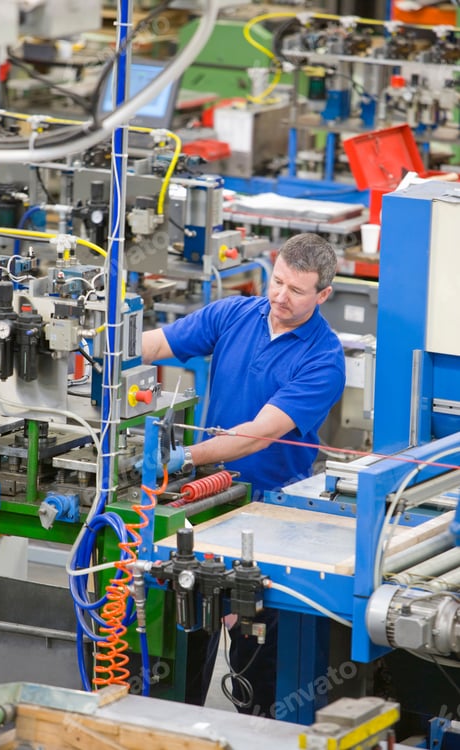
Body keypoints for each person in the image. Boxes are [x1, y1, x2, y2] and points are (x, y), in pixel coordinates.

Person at [141, 231, 346, 717]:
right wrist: (94, 346)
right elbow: (156, 343)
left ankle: (260, 725)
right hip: (201, 503)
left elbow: (257, 434)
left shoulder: (324, 359)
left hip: (269, 516)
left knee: (259, 661)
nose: (280, 297)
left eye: (297, 291)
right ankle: (175, 723)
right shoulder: (235, 314)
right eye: (277, 282)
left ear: (323, 295)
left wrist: (186, 457)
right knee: (187, 627)